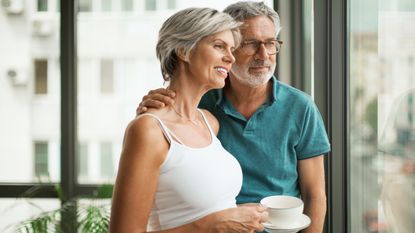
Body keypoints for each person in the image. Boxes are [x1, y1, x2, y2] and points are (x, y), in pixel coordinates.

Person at [137, 1, 331, 233]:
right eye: (250, 44)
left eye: (271, 43)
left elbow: (316, 195)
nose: (264, 55)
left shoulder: (300, 107)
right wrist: (154, 113)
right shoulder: (203, 106)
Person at [110, 7, 269, 233]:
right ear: (184, 50)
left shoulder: (209, 122)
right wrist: (211, 226)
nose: (231, 58)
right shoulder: (149, 130)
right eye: (219, 46)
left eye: (232, 49)